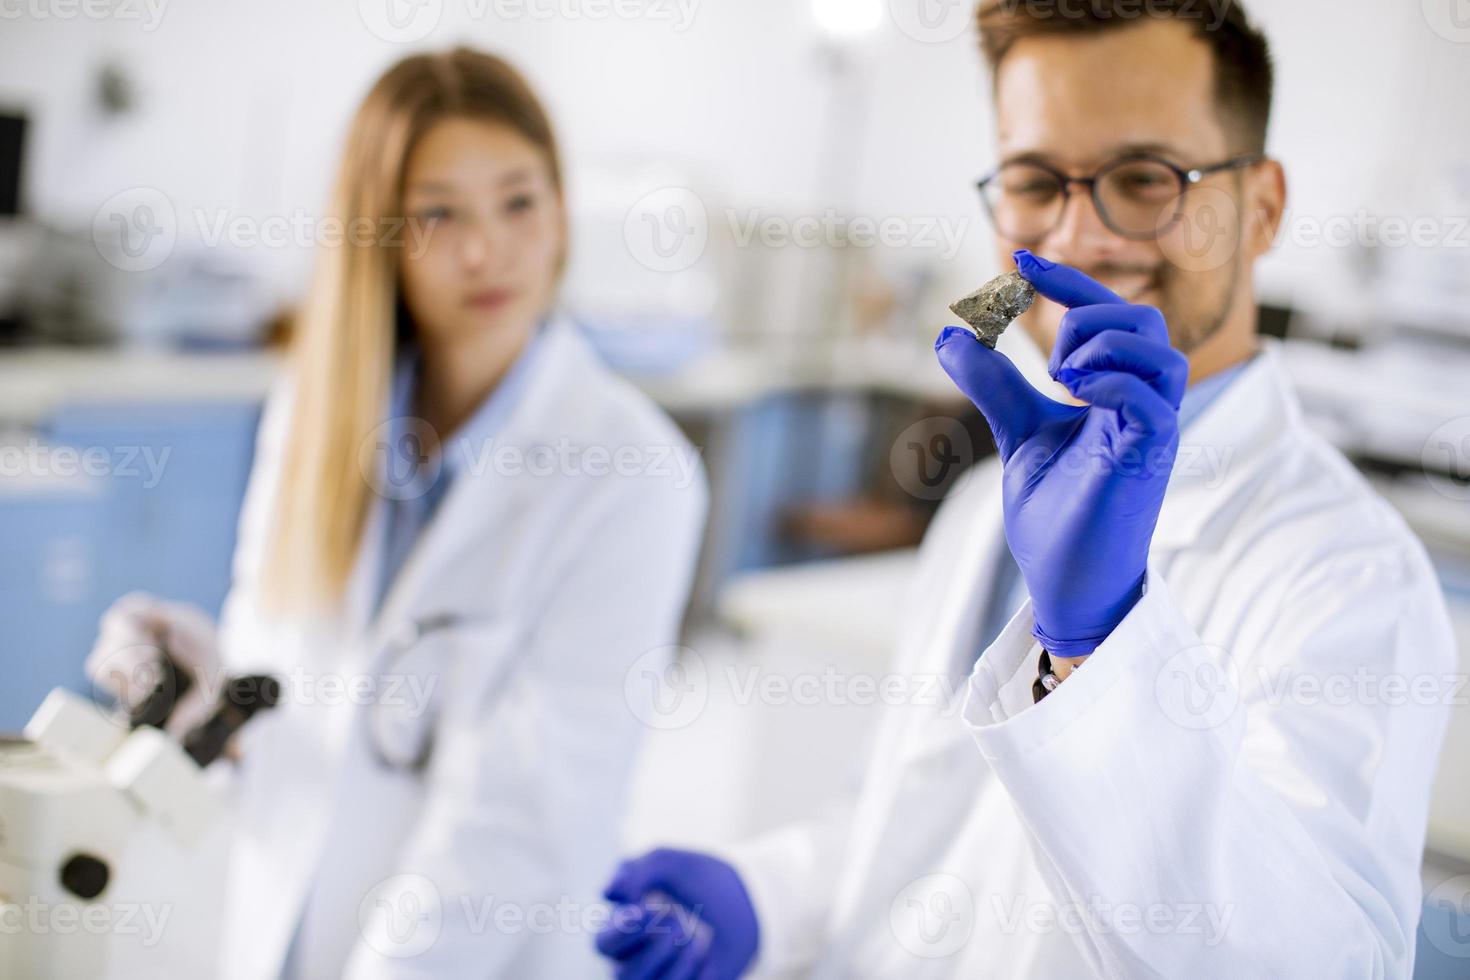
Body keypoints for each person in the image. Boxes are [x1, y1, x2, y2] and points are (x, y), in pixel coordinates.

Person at [595, 3, 1454, 977]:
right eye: (1036, 180)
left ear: (1260, 205)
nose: (1081, 233)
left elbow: (1315, 963)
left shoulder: (1349, 575)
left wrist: (1103, 641)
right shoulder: (984, 511)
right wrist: (766, 899)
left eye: (1144, 177)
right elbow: (916, 837)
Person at [87, 48, 707, 978]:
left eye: (519, 201)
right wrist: (198, 688)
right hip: (281, 921)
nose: (484, 249)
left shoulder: (636, 474)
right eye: (437, 211)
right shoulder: (318, 408)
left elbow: (517, 820)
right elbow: (285, 683)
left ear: (562, 214)